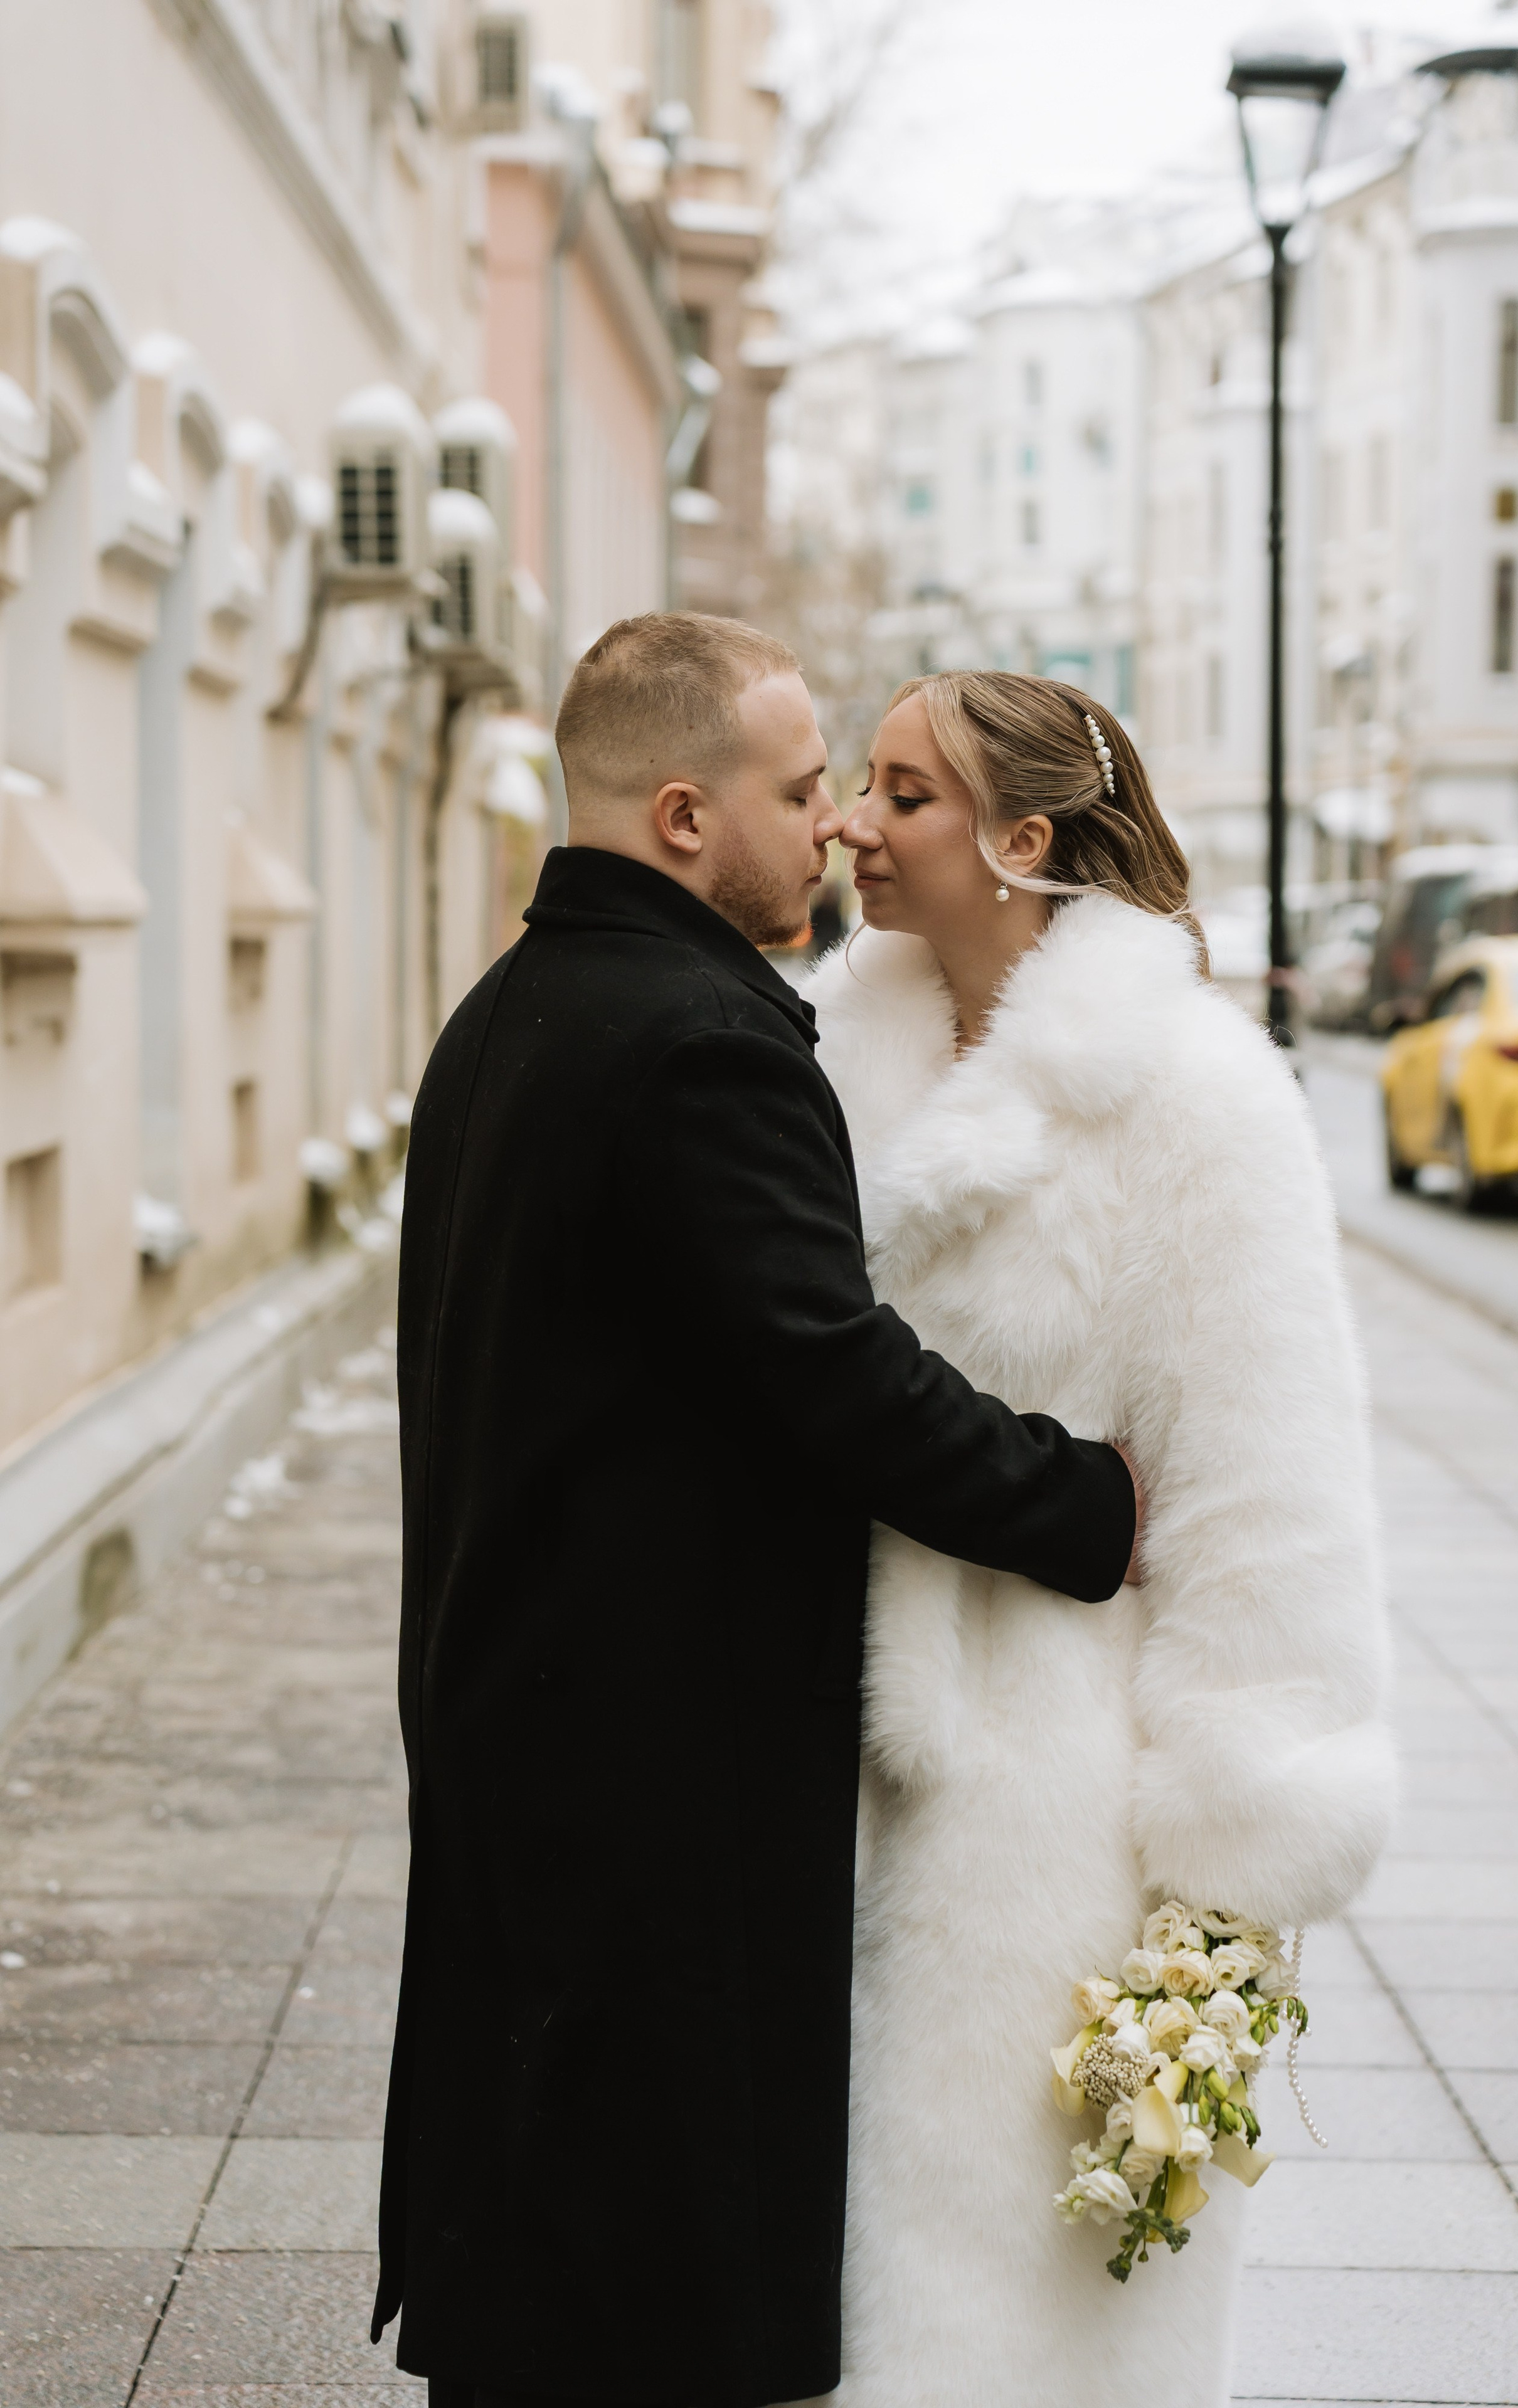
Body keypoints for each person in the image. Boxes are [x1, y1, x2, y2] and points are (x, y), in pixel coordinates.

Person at [373, 616, 1141, 2408]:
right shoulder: (704, 1043)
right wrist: (1085, 1504)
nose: (834, 835)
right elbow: (837, 1377)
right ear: (682, 817)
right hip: (662, 1779)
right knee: (658, 2301)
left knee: (545, 2259)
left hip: (518, 1725)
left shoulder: (504, 1018)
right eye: (803, 794)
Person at [798, 672, 1395, 2408]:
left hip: (1057, 1823)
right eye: (856, 786)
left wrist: (1221, 1904)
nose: (852, 822)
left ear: (1022, 839)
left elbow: (1273, 1500)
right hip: (821, 1779)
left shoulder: (1195, 1101)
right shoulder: (826, 1067)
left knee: (1028, 2309)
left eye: (902, 795)